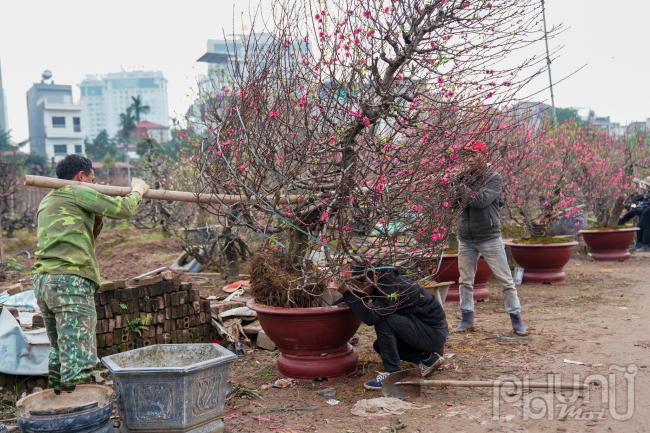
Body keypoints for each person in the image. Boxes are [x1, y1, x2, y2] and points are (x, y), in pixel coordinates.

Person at [32, 154, 149, 393]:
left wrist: (97, 210)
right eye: (92, 175)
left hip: (44, 282)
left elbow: (86, 237)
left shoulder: (48, 200)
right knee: (79, 357)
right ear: (81, 176)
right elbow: (125, 209)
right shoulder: (77, 191)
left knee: (60, 349)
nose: (94, 179)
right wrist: (138, 189)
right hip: (69, 282)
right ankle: (82, 418)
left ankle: (56, 407)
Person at [454, 140, 527, 335]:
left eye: (472, 155)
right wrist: (452, 186)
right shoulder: (462, 177)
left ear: (483, 155)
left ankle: (516, 319)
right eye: (466, 156)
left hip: (489, 236)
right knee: (465, 281)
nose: (468, 160)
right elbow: (453, 204)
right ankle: (466, 319)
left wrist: (460, 186)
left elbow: (480, 201)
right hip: (466, 237)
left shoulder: (493, 178)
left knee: (506, 281)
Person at [337, 265, 448, 391]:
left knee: (384, 320)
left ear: (368, 281)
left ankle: (393, 374)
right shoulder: (383, 282)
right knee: (380, 346)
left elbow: (371, 318)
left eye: (357, 286)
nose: (357, 291)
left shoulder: (389, 288)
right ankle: (428, 358)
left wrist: (348, 294)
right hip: (427, 335)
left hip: (432, 335)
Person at [618, 188, 650, 252]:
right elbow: (644, 198)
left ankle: (646, 244)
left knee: (646, 213)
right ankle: (639, 243)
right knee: (635, 210)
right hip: (647, 205)